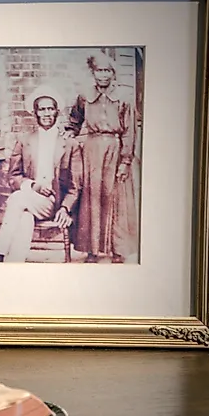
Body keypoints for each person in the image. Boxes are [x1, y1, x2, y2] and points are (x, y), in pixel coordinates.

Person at [0, 86, 83, 263]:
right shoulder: (25, 140)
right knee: (23, 217)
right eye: (42, 109)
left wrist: (65, 208)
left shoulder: (69, 144)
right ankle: (13, 264)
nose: (47, 113)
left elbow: (75, 185)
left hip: (53, 202)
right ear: (35, 112)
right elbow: (13, 176)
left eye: (50, 108)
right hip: (28, 198)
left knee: (17, 199)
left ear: (57, 111)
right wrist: (33, 186)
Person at [66, 51, 138, 263]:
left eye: (107, 70)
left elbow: (129, 132)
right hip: (91, 151)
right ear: (93, 72)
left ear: (113, 73)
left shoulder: (124, 98)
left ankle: (118, 250)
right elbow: (74, 121)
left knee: (116, 199)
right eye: (99, 70)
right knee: (92, 199)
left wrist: (125, 161)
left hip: (115, 151)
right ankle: (92, 250)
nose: (103, 75)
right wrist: (70, 133)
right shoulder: (84, 96)